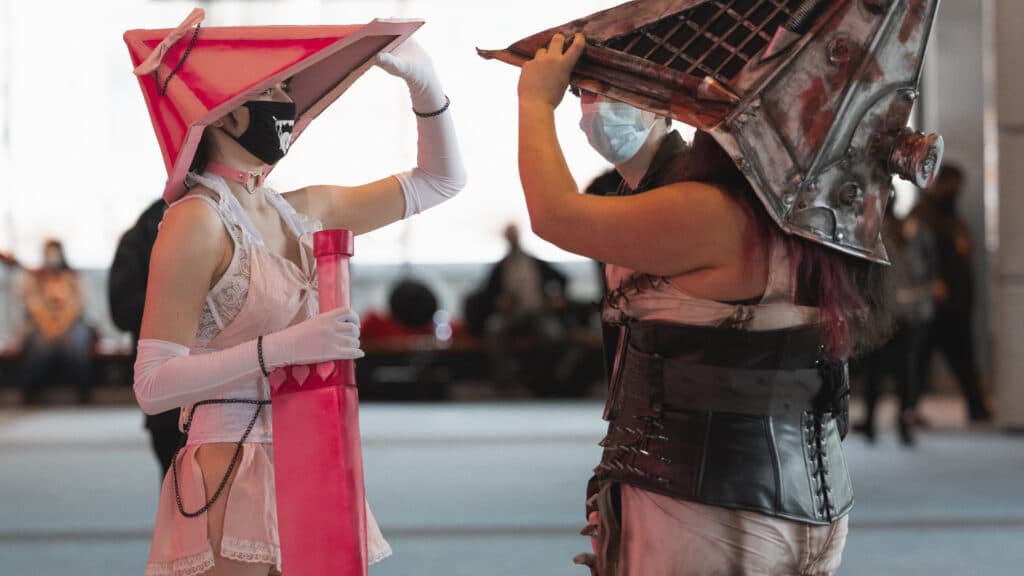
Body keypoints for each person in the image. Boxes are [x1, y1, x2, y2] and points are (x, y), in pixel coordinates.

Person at [490, 2, 940, 565]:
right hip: (813, 505)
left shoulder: (718, 217)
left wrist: (535, 102)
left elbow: (556, 216)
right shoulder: (832, 226)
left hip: (708, 508)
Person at [127, 13, 465, 576]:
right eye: (276, 90)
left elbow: (439, 182)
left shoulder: (301, 209)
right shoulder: (196, 221)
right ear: (228, 109)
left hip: (311, 451)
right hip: (228, 468)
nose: (288, 103)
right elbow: (152, 383)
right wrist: (283, 348)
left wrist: (426, 89)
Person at [109, 198, 185, 476]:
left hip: (230, 397)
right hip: (167, 390)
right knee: (174, 486)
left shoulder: (239, 219)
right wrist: (178, 293)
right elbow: (121, 310)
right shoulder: (142, 233)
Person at [911, 164, 992, 422]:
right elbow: (917, 258)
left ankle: (976, 407)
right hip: (933, 302)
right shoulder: (923, 216)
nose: (955, 190)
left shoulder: (954, 217)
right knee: (920, 360)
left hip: (957, 302)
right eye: (950, 184)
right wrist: (930, 283)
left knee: (961, 358)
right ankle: (909, 410)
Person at [855, 201, 937, 445]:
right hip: (913, 311)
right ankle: (905, 424)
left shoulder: (868, 233)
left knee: (874, 370)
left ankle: (870, 424)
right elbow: (931, 268)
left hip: (881, 313)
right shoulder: (916, 229)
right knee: (908, 371)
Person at [479, 223, 568, 393]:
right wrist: (499, 301)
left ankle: (542, 381)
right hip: (511, 314)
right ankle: (505, 383)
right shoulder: (501, 267)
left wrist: (556, 298)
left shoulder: (534, 262)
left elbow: (562, 278)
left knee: (553, 335)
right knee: (494, 330)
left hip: (538, 311)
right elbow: (487, 294)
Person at [19, 240, 93, 404]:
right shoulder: (34, 278)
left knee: (75, 343)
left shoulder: (74, 277)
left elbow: (77, 304)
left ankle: (83, 390)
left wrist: (62, 324)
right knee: (40, 345)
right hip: (41, 325)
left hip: (71, 324)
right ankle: (31, 392)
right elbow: (32, 303)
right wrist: (49, 325)